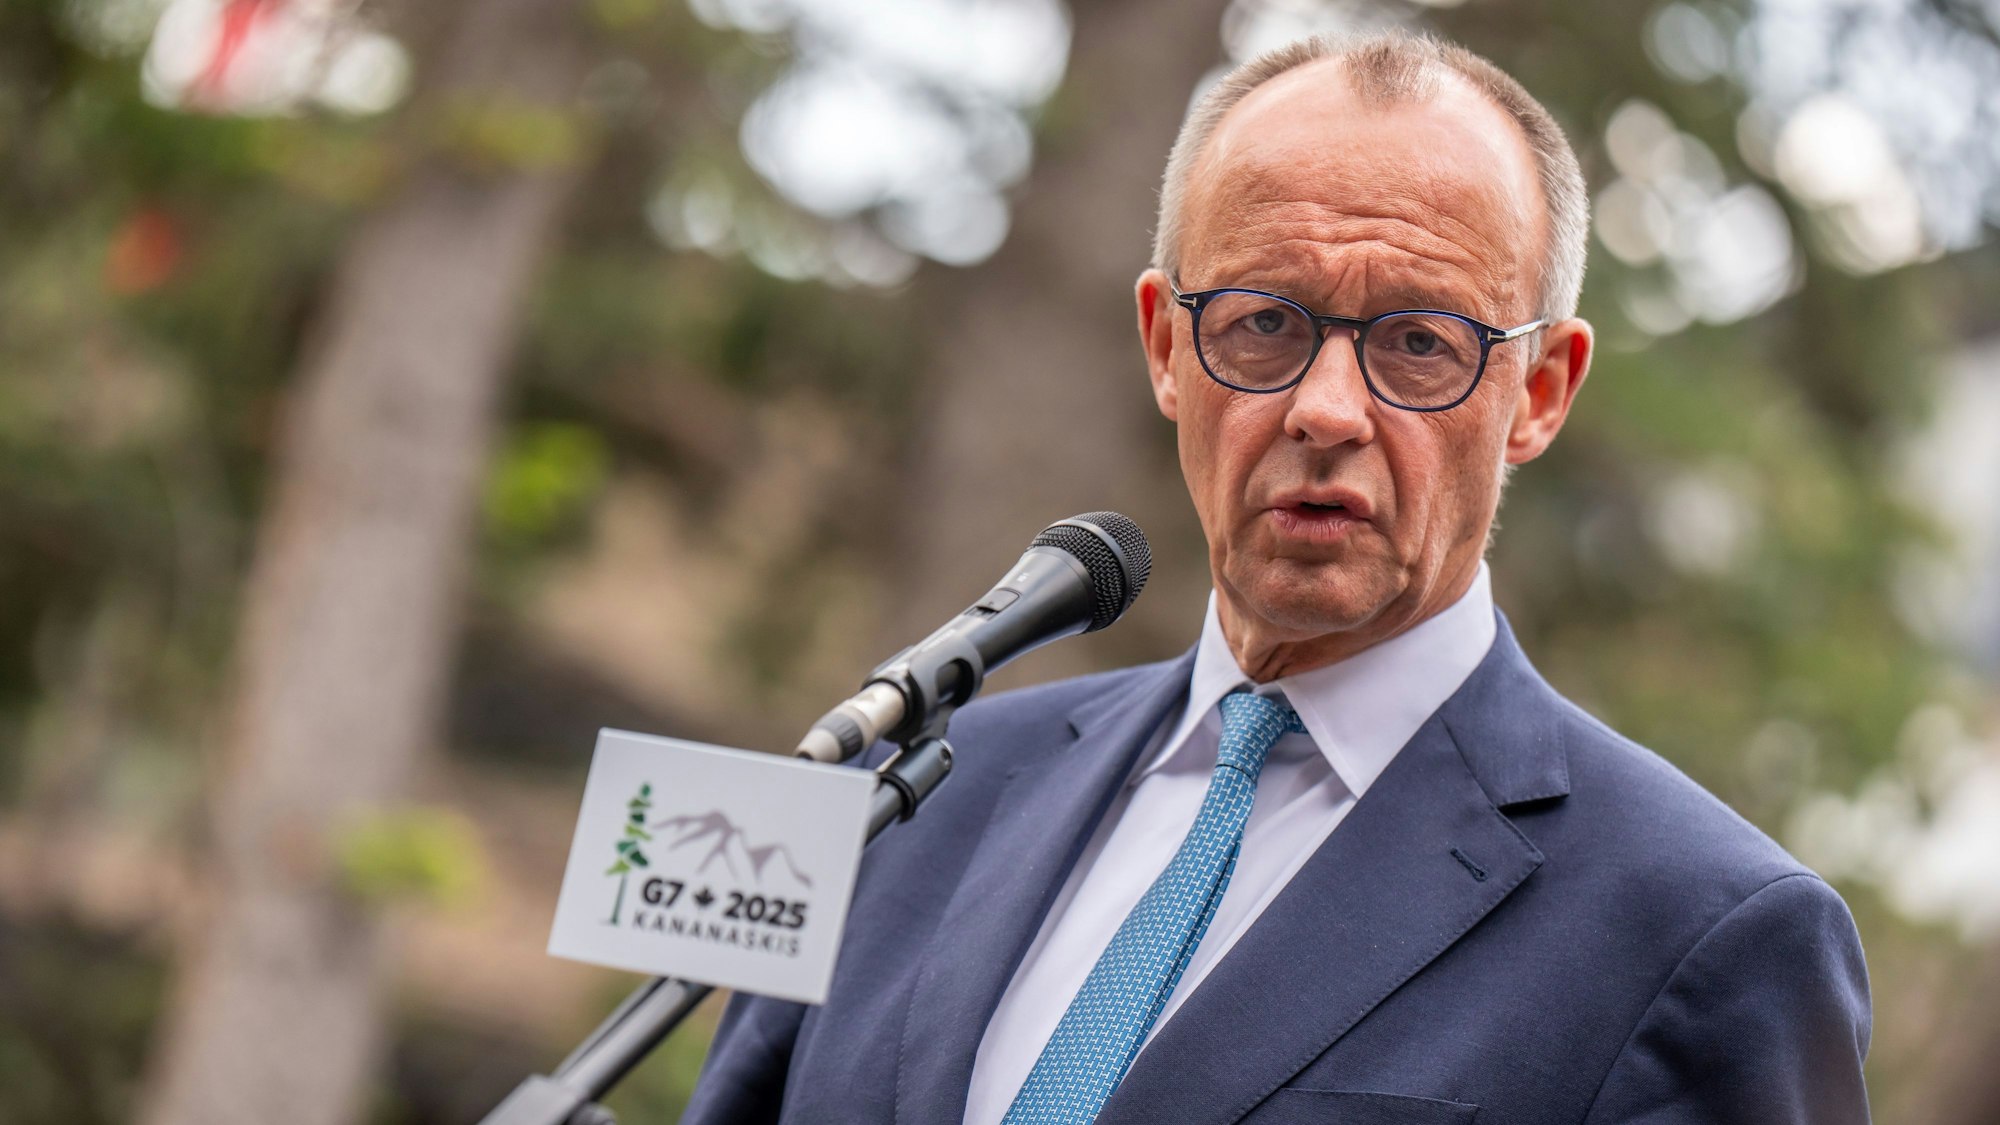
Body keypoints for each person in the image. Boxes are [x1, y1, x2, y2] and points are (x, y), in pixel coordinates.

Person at [681, 30, 1871, 1125]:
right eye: (1261, 323)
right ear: (1164, 347)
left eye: (1419, 342)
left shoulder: (1699, 933)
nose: (1324, 408)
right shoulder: (915, 799)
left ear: (1540, 393)